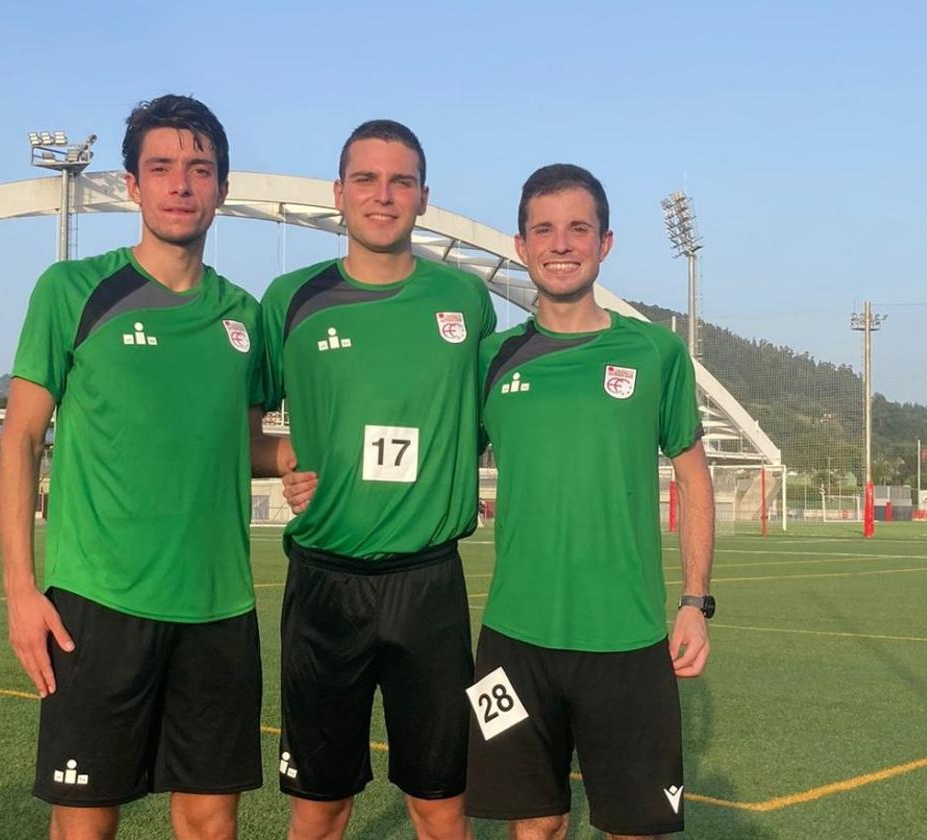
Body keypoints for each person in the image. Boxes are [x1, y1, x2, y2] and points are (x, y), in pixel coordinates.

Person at [0, 94, 283, 840]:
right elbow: (21, 439)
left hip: (219, 609)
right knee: (86, 827)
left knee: (210, 824)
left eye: (199, 169)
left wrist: (304, 460)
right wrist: (21, 592)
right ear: (131, 186)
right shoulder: (73, 291)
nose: (180, 184)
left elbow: (248, 445)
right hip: (98, 605)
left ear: (222, 187)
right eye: (161, 168)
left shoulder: (246, 317)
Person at [465, 164, 715, 840]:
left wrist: (694, 603)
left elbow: (694, 478)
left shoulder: (655, 352)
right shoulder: (491, 357)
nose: (561, 243)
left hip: (628, 643)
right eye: (543, 229)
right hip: (513, 642)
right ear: (521, 246)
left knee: (634, 830)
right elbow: (436, 456)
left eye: (579, 228)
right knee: (534, 827)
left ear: (605, 243)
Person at [263, 120, 496, 840]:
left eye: (400, 181)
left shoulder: (466, 300)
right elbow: (239, 432)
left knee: (440, 803)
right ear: (338, 194)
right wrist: (280, 462)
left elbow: (490, 423)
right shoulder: (289, 301)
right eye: (366, 179)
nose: (383, 195)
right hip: (323, 586)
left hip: (429, 587)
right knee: (322, 806)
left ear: (424, 198)